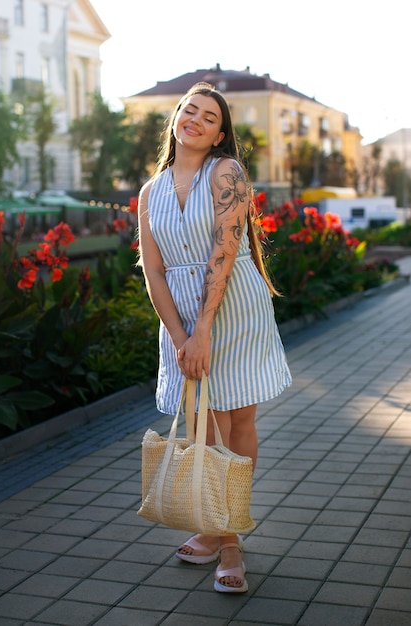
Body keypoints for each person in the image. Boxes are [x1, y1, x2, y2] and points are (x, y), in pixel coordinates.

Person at [138, 82, 292, 593]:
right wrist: (181, 335)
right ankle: (220, 531)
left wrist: (203, 330)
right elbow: (155, 273)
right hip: (182, 318)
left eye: (209, 117)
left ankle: (227, 540)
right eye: (190, 110)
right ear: (176, 118)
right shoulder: (149, 192)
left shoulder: (225, 173)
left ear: (219, 133)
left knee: (234, 417)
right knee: (205, 423)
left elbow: (225, 252)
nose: (196, 120)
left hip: (232, 308)